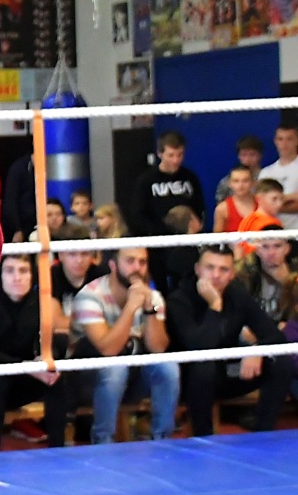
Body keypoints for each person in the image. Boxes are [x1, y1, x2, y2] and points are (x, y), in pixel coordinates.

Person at [168, 245, 294, 436]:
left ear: (232, 274)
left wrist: (256, 350)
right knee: (204, 366)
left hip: (227, 372)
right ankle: (204, 438)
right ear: (198, 269)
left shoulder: (237, 294)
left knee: (280, 360)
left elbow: (274, 336)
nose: (216, 275)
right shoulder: (179, 300)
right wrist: (215, 305)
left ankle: (263, 431)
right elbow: (201, 346)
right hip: (190, 380)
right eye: (210, 267)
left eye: (224, 269)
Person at [71, 247, 179, 443]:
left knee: (168, 367)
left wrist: (149, 309)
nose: (137, 268)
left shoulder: (153, 297)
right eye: (130, 261)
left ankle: (162, 439)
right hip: (88, 380)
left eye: (142, 262)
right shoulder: (90, 296)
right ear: (113, 265)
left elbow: (158, 348)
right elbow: (108, 349)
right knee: (115, 369)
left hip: (131, 377)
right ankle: (103, 441)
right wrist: (130, 307)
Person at [0, 254, 67, 450]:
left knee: (55, 376)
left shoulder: (42, 304)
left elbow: (57, 340)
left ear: (32, 275)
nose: (17, 278)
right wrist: (26, 367)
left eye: (23, 271)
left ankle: (58, 450)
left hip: (25, 379)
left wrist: (45, 359)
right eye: (9, 271)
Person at [128, 132, 205, 290]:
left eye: (180, 155)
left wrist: (195, 226)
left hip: (186, 244)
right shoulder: (146, 180)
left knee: (188, 285)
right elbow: (137, 214)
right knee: (161, 288)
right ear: (160, 153)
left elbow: (199, 206)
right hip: (158, 245)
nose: (175, 160)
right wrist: (163, 232)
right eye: (171, 155)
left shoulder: (190, 177)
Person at [259, 124, 298, 228]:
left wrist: (274, 203)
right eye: (280, 139)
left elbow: (267, 204)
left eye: (289, 139)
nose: (284, 144)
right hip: (272, 232)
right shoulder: (266, 172)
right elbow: (261, 203)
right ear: (275, 141)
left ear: (297, 141)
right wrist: (290, 197)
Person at [214, 135, 264, 202]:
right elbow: (220, 202)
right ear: (238, 156)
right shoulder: (227, 181)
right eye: (244, 155)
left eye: (252, 154)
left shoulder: (266, 176)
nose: (248, 159)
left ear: (260, 155)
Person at [214, 164, 259, 233]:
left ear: (253, 183)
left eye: (245, 181)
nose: (240, 185)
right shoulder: (222, 209)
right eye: (236, 181)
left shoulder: (262, 204)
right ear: (229, 184)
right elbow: (217, 237)